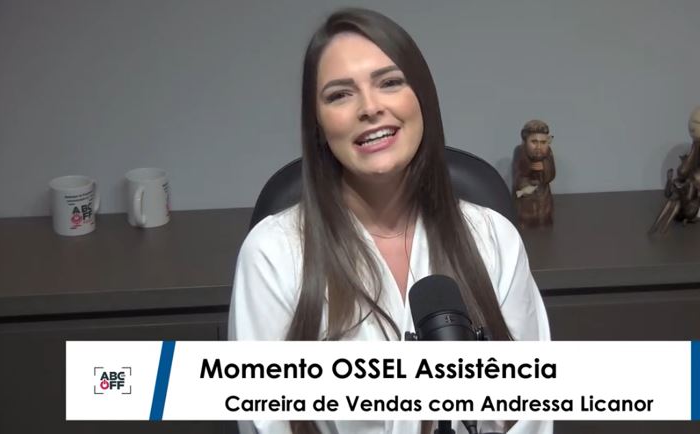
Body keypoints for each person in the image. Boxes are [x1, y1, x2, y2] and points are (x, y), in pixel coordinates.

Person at [229, 8, 551, 434]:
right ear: (318, 124)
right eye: (340, 95)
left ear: (422, 99)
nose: (370, 107)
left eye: (389, 82)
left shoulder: (494, 239)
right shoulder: (273, 254)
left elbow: (531, 411)